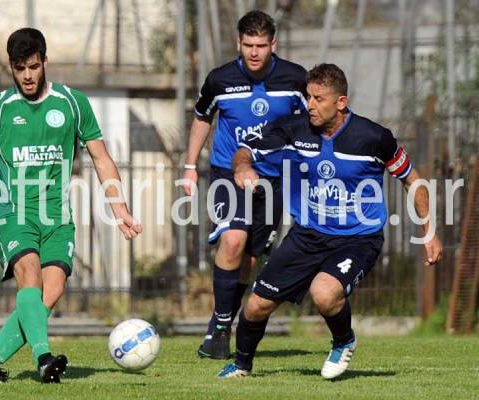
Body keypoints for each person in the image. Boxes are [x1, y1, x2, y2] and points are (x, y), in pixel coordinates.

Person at [0, 28, 141, 383]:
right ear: (10, 68)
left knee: (53, 289)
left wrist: (119, 208)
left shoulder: (73, 103)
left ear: (45, 62)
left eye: (32, 66)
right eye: (19, 68)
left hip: (58, 216)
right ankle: (44, 358)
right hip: (15, 214)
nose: (27, 76)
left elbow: (101, 158)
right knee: (29, 273)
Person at [218, 63, 442, 379]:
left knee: (324, 292)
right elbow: (246, 149)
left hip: (358, 238)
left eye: (319, 99)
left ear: (340, 102)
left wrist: (429, 232)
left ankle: (343, 341)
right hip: (307, 235)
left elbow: (413, 180)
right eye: (308, 97)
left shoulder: (374, 137)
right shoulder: (293, 129)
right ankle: (241, 366)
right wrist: (241, 167)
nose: (310, 105)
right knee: (255, 307)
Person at [183, 10, 307, 359]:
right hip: (227, 174)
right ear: (238, 43)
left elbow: (311, 124)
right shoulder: (220, 80)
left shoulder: (295, 80)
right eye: (248, 45)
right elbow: (201, 118)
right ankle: (223, 328)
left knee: (249, 261)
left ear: (273, 45)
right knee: (233, 239)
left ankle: (217, 327)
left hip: (272, 180)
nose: (254, 52)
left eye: (261, 45)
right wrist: (190, 165)